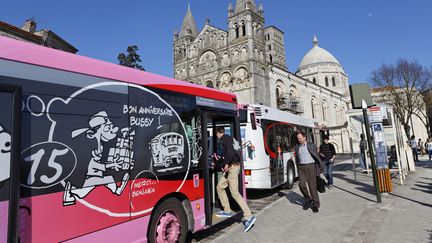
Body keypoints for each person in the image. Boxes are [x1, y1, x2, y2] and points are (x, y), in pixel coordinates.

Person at [214, 127, 256, 232]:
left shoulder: (224, 138)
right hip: (232, 167)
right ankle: (227, 210)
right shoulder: (231, 139)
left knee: (235, 193)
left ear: (219, 133)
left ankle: (248, 216)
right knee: (220, 187)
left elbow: (230, 153)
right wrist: (222, 164)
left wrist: (227, 164)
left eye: (217, 135)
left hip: (232, 167)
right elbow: (235, 151)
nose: (217, 137)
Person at [295, 131, 324, 213]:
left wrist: (319, 167)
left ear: (305, 137)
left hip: (311, 167)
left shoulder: (311, 145)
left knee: (312, 187)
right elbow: (297, 157)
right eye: (298, 138)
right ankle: (308, 198)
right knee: (301, 185)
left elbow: (316, 156)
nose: (299, 140)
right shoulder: (297, 147)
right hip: (301, 167)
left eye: (300, 138)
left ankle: (315, 204)